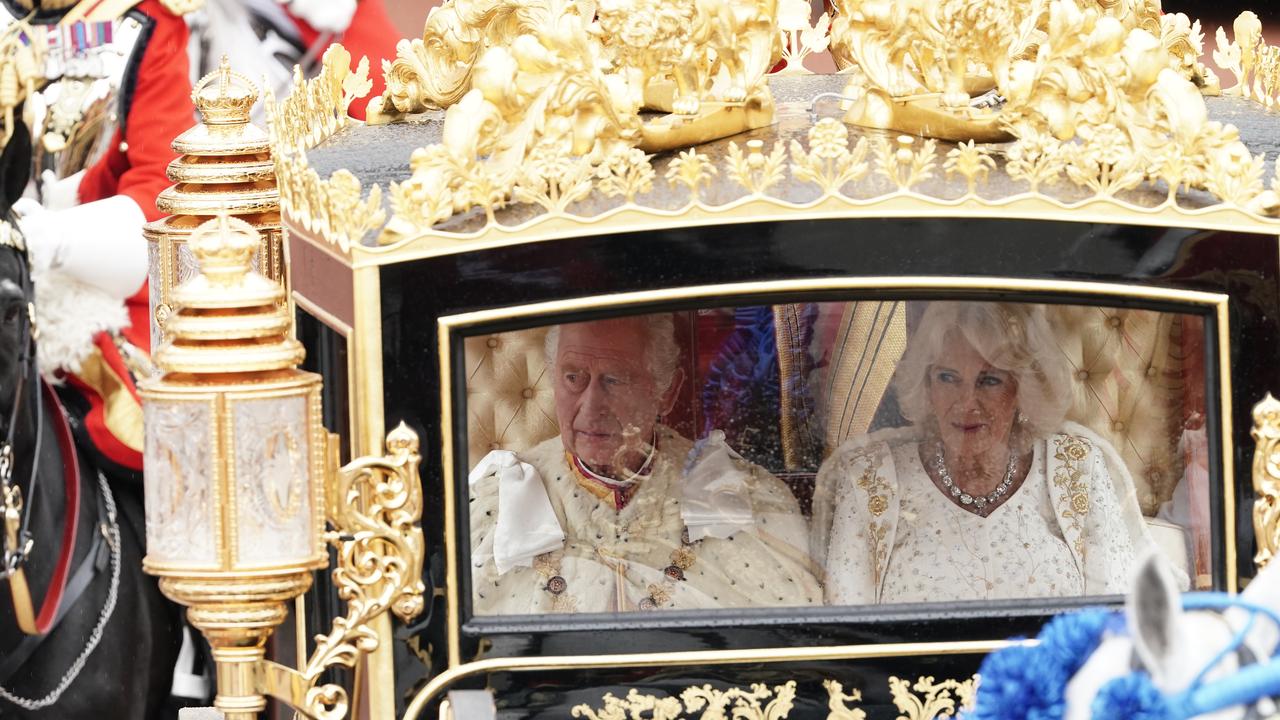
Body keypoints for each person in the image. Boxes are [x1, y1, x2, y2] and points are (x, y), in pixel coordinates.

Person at [812, 301, 1180, 606]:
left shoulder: (1076, 465)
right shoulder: (869, 477)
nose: (966, 403)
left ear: (1024, 389)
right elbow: (847, 627)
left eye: (989, 380)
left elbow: (1117, 611)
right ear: (926, 384)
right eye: (947, 377)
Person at [468, 314, 821, 614]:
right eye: (573, 377)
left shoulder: (741, 497)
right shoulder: (496, 502)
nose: (591, 407)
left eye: (614, 380)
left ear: (667, 392)